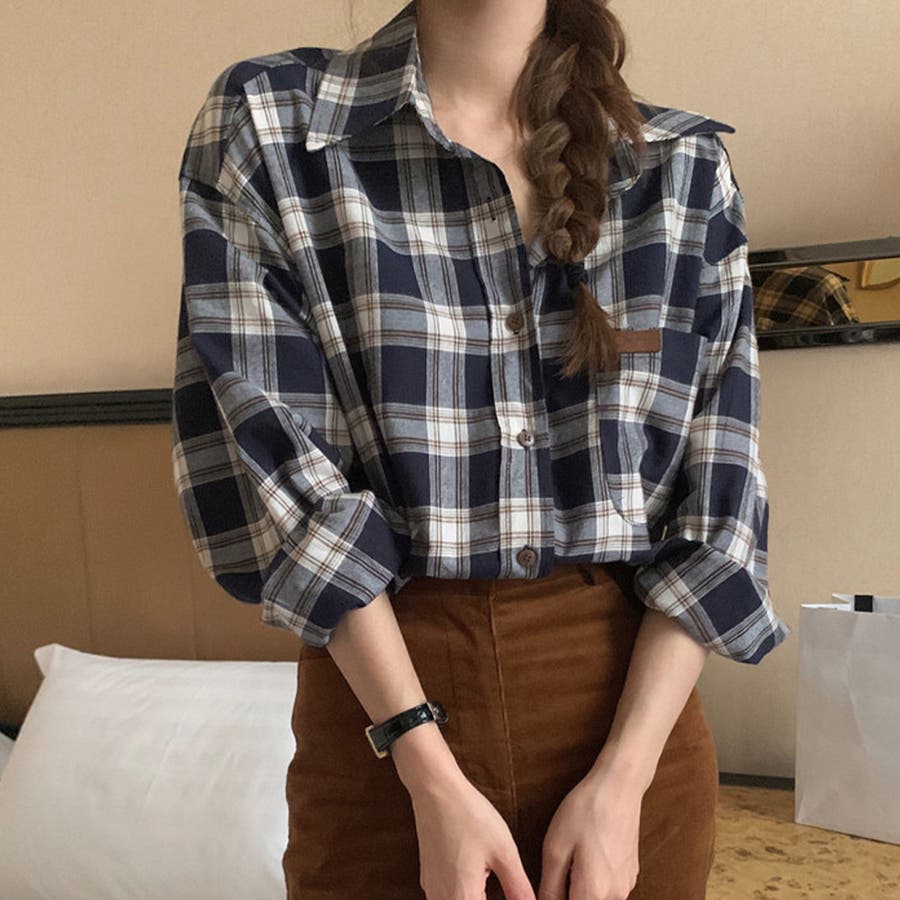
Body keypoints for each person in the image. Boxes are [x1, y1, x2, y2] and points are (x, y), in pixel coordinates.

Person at [170, 1, 792, 897]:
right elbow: (273, 465)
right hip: (384, 718)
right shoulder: (273, 124)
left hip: (631, 727)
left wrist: (624, 781)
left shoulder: (682, 168)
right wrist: (426, 769)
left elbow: (719, 496)